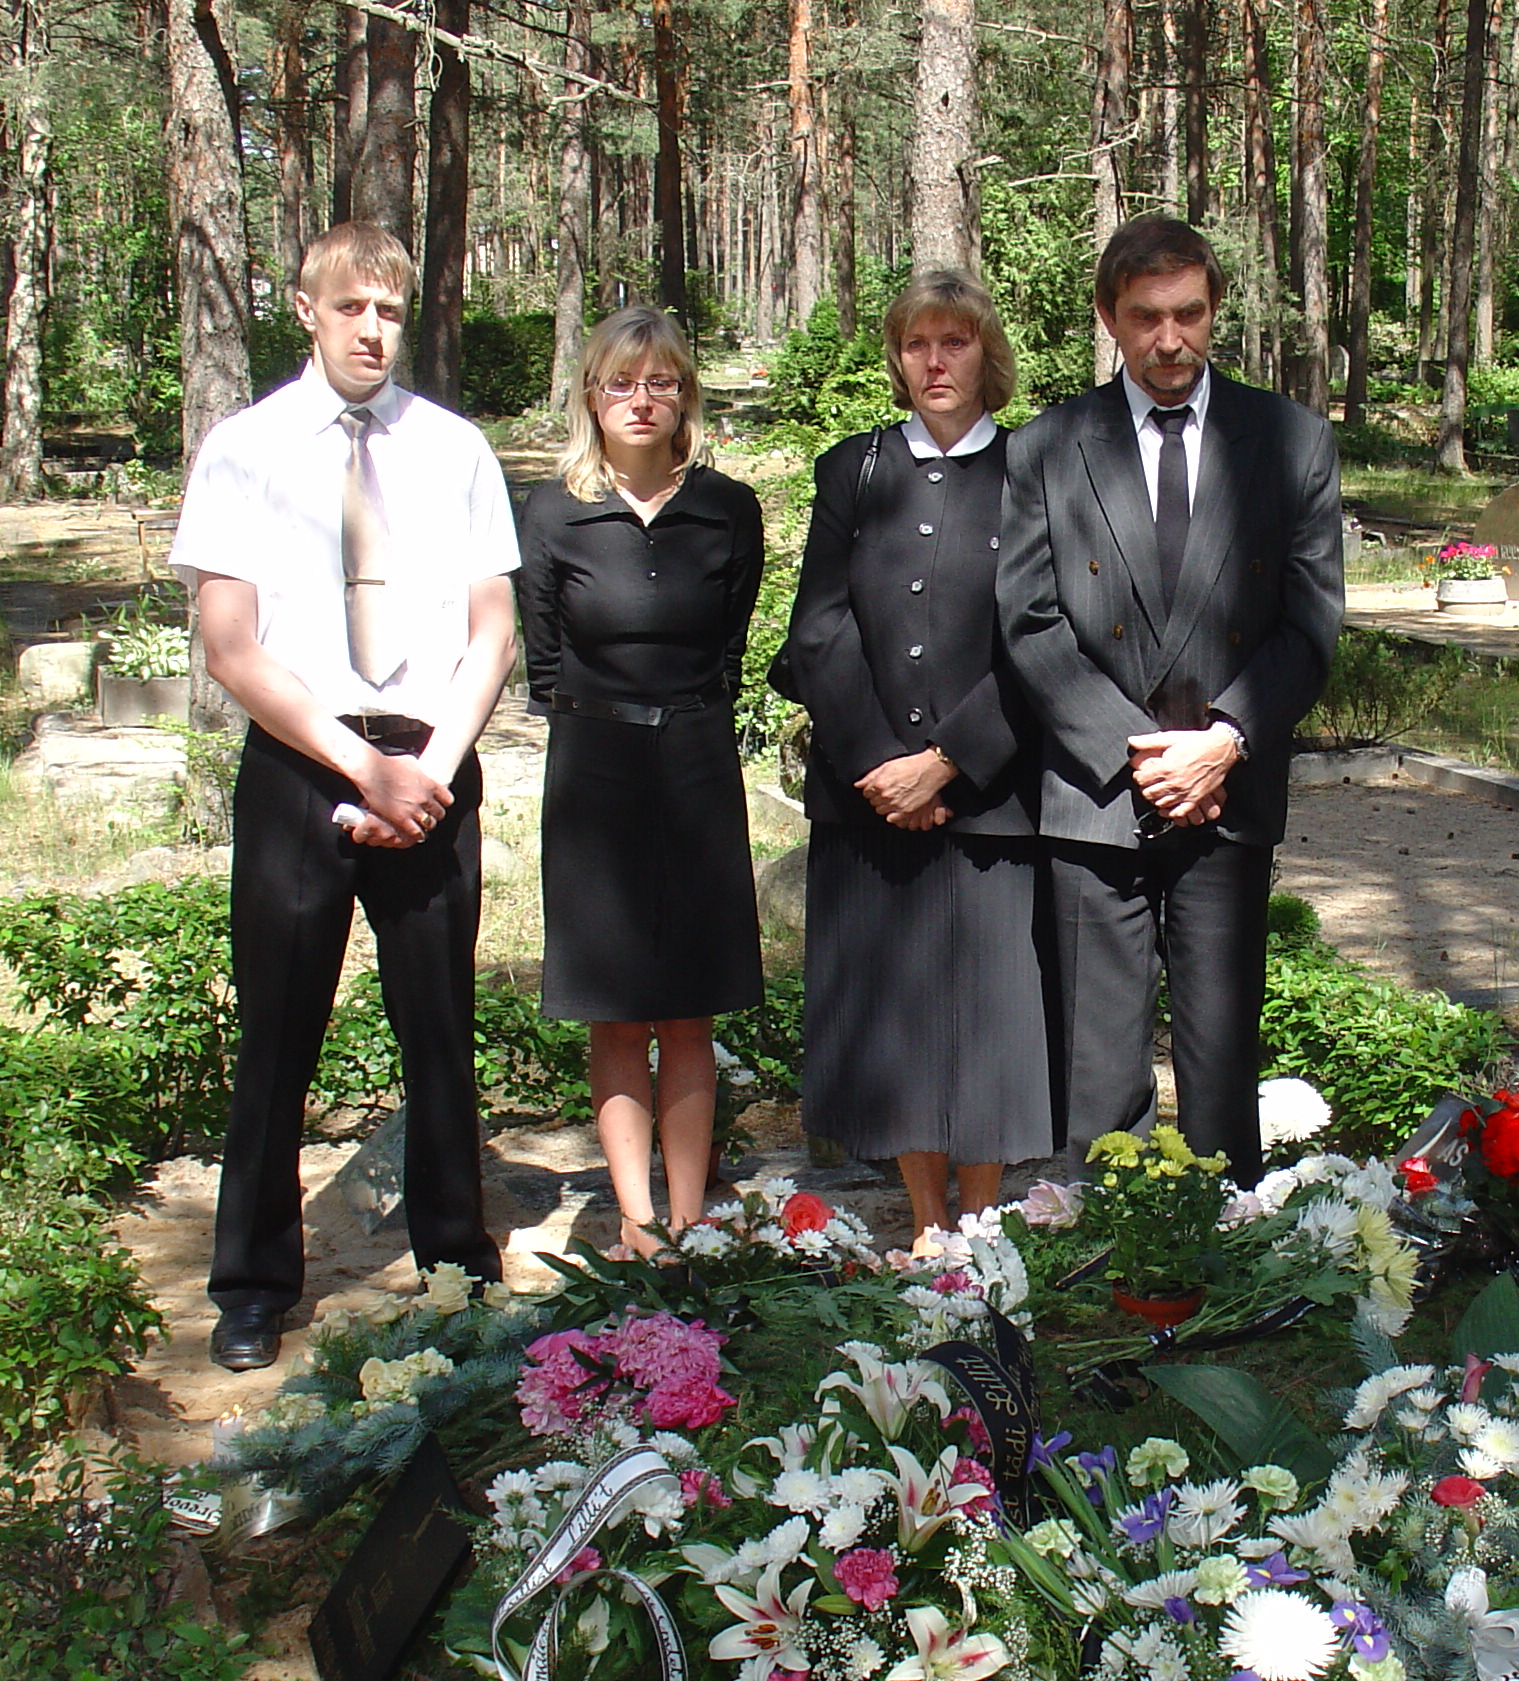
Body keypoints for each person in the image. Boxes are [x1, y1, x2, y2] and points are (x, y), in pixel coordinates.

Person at [171, 222, 522, 1371]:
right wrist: (360, 767)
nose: (373, 331)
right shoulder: (245, 449)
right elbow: (231, 646)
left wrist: (430, 771)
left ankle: (458, 1266)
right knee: (278, 1033)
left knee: (439, 1032)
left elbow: (492, 631)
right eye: (351, 308)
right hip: (301, 764)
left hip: (432, 764)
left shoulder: (455, 450)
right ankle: (253, 1283)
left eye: (390, 310)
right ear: (307, 309)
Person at [997, 214, 1343, 1185]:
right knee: (1096, 1083)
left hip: (1228, 794)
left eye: (1188, 314)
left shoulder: (1291, 442)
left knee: (1222, 1074)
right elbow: (1028, 621)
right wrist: (1140, 754)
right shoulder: (1050, 447)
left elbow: (1311, 622)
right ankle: (1103, 1256)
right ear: (1109, 316)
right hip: (1096, 796)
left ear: (1214, 309)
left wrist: (1224, 741)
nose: (1169, 340)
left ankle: (1226, 1256)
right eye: (1146, 317)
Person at [782, 271, 1050, 1252]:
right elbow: (819, 629)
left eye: (955, 342)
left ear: (988, 354)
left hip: (993, 797)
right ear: (896, 359)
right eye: (915, 344)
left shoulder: (1034, 472)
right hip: (868, 799)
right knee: (900, 1023)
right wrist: (882, 768)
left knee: (988, 1022)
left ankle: (981, 1231)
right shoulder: (852, 470)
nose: (935, 361)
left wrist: (948, 764)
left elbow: (1045, 639)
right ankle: (929, 1227)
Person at [517, 307, 765, 1257]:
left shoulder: (727, 509)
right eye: (621, 382)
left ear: (685, 396)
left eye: (660, 381)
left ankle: (691, 1220)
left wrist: (684, 717)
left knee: (689, 1005)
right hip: (597, 773)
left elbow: (728, 646)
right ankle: (636, 1219)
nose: (641, 399)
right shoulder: (553, 511)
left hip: (698, 765)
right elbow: (545, 660)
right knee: (617, 1010)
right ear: (592, 395)